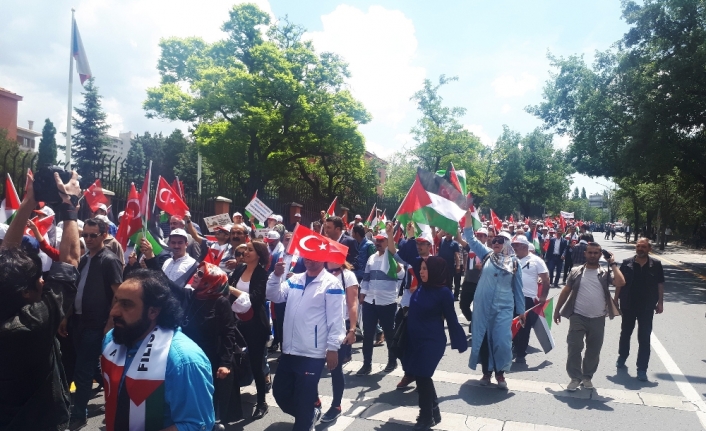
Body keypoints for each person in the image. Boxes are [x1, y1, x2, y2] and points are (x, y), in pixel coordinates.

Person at [0, 169, 81, 431]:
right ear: (26, 292)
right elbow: (69, 262)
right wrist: (69, 206)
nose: (44, 282)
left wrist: (28, 202)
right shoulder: (32, 324)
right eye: (39, 280)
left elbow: (6, 259)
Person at [101, 269, 215, 431]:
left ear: (153, 311)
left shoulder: (184, 361)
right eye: (116, 301)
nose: (114, 311)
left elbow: (196, 425)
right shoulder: (113, 339)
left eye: (126, 305)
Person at [267, 256, 345, 431]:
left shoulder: (331, 284)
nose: (309, 260)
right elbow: (274, 295)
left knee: (303, 399)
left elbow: (336, 319)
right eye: (307, 256)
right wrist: (276, 276)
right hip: (289, 350)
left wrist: (333, 348)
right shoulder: (295, 279)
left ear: (323, 257)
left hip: (312, 353)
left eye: (314, 256)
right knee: (280, 392)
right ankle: (309, 413)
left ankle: (305, 420)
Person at [67, 217, 124, 429]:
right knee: (88, 366)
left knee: (83, 369)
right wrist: (66, 317)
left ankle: (79, 414)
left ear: (104, 235)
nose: (88, 239)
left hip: (96, 323)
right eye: (85, 235)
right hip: (78, 321)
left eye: (93, 235)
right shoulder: (84, 259)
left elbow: (118, 294)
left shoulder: (109, 260)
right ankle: (119, 389)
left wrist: (110, 322)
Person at [462, 212, 525, 389]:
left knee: (502, 340)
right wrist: (467, 216)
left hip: (504, 307)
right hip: (483, 305)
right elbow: (470, 238)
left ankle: (500, 373)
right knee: (483, 338)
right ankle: (486, 373)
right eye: (494, 240)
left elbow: (518, 289)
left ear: (507, 244)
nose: (495, 243)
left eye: (500, 240)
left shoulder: (514, 263)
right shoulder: (487, 255)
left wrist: (521, 311)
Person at [553, 242, 625, 391]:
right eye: (590, 252)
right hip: (578, 316)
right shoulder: (575, 271)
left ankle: (587, 377)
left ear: (600, 255)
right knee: (574, 347)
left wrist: (612, 263)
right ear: (585, 253)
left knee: (593, 350)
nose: (593, 255)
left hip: (598, 318)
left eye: (596, 253)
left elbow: (620, 282)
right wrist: (557, 310)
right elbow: (566, 290)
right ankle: (575, 377)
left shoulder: (605, 273)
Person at [406, 257, 467, 430]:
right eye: (421, 269)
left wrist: (460, 342)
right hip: (416, 341)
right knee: (421, 376)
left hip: (432, 342)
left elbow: (452, 320)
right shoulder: (420, 288)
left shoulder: (444, 293)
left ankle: (426, 418)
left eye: (425, 269)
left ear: (434, 271)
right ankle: (434, 411)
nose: (421, 271)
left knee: (423, 376)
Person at [181, 262, 238, 429]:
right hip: (189, 358)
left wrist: (225, 363)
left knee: (207, 397)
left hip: (210, 358)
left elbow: (229, 333)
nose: (195, 276)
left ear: (209, 282)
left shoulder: (220, 302)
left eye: (200, 274)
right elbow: (167, 285)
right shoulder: (191, 297)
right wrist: (150, 259)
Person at [228, 240, 272, 420]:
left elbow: (255, 299)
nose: (245, 252)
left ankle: (261, 402)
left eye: (250, 250)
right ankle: (233, 400)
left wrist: (231, 289)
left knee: (256, 363)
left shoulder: (262, 274)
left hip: (255, 325)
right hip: (235, 323)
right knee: (233, 360)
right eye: (245, 249)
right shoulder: (239, 270)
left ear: (259, 255)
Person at [615, 238, 664, 381]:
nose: (640, 249)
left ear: (649, 249)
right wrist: (615, 300)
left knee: (644, 337)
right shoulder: (626, 263)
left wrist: (660, 303)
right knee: (625, 333)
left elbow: (660, 284)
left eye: (643, 247)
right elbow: (619, 283)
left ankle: (642, 369)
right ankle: (622, 356)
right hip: (628, 305)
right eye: (638, 246)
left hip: (647, 307)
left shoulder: (656, 264)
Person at [357, 229, 405, 375]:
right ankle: (367, 364)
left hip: (387, 302)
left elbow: (401, 275)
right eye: (377, 240)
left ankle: (392, 361)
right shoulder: (371, 258)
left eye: (381, 240)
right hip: (370, 301)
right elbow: (366, 278)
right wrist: (362, 294)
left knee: (389, 334)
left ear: (388, 242)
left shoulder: (395, 258)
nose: (377, 243)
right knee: (368, 334)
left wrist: (393, 258)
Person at [319, 261, 359, 423]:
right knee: (313, 365)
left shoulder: (348, 276)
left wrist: (352, 329)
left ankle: (336, 405)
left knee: (335, 367)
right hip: (320, 327)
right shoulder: (320, 275)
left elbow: (352, 304)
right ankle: (314, 401)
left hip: (340, 327)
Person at [510, 235, 550, 364]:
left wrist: (543, 296)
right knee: (511, 323)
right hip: (511, 297)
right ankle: (515, 346)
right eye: (513, 245)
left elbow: (545, 279)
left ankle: (521, 353)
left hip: (528, 298)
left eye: (516, 245)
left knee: (524, 326)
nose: (514, 248)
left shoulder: (536, 260)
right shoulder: (511, 259)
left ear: (524, 246)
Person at [458, 228, 486, 335]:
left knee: (478, 308)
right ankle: (473, 321)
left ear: (486, 238)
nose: (479, 237)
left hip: (480, 283)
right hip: (468, 282)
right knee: (463, 306)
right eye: (477, 235)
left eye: (482, 235)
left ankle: (476, 326)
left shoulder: (487, 251)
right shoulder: (470, 248)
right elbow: (459, 239)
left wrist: (483, 266)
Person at [437, 230, 462, 299]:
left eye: (449, 232)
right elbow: (436, 238)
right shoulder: (441, 241)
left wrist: (458, 265)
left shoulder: (455, 243)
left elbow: (457, 255)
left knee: (449, 282)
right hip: (441, 266)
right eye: (447, 232)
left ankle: (449, 297)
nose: (448, 233)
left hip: (450, 266)